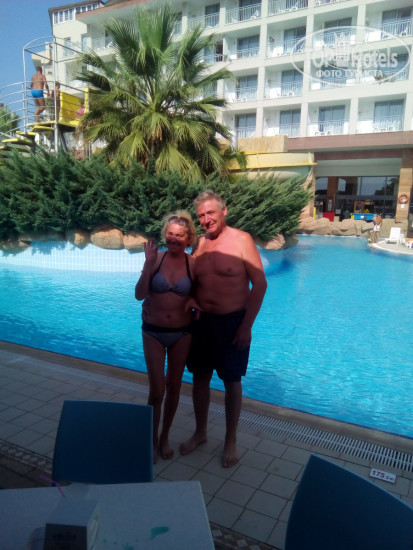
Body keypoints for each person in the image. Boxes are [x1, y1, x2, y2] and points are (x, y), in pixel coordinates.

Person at [180, 190, 267, 467]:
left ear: (224, 211)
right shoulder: (199, 244)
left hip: (232, 323)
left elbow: (260, 284)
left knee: (232, 382)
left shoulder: (242, 240)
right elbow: (191, 280)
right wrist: (190, 299)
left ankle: (230, 441)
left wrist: (246, 326)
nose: (206, 219)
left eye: (211, 213)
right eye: (201, 215)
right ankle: (200, 432)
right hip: (201, 323)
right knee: (200, 378)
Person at [135, 211, 197, 463]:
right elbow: (139, 295)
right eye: (170, 234)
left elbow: (201, 295)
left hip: (182, 333)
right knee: (157, 390)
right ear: (165, 235)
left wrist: (194, 301)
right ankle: (151, 440)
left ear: (188, 238)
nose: (174, 239)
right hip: (154, 332)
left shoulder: (193, 264)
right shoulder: (156, 259)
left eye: (179, 235)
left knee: (174, 387)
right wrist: (148, 266)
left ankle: (164, 437)